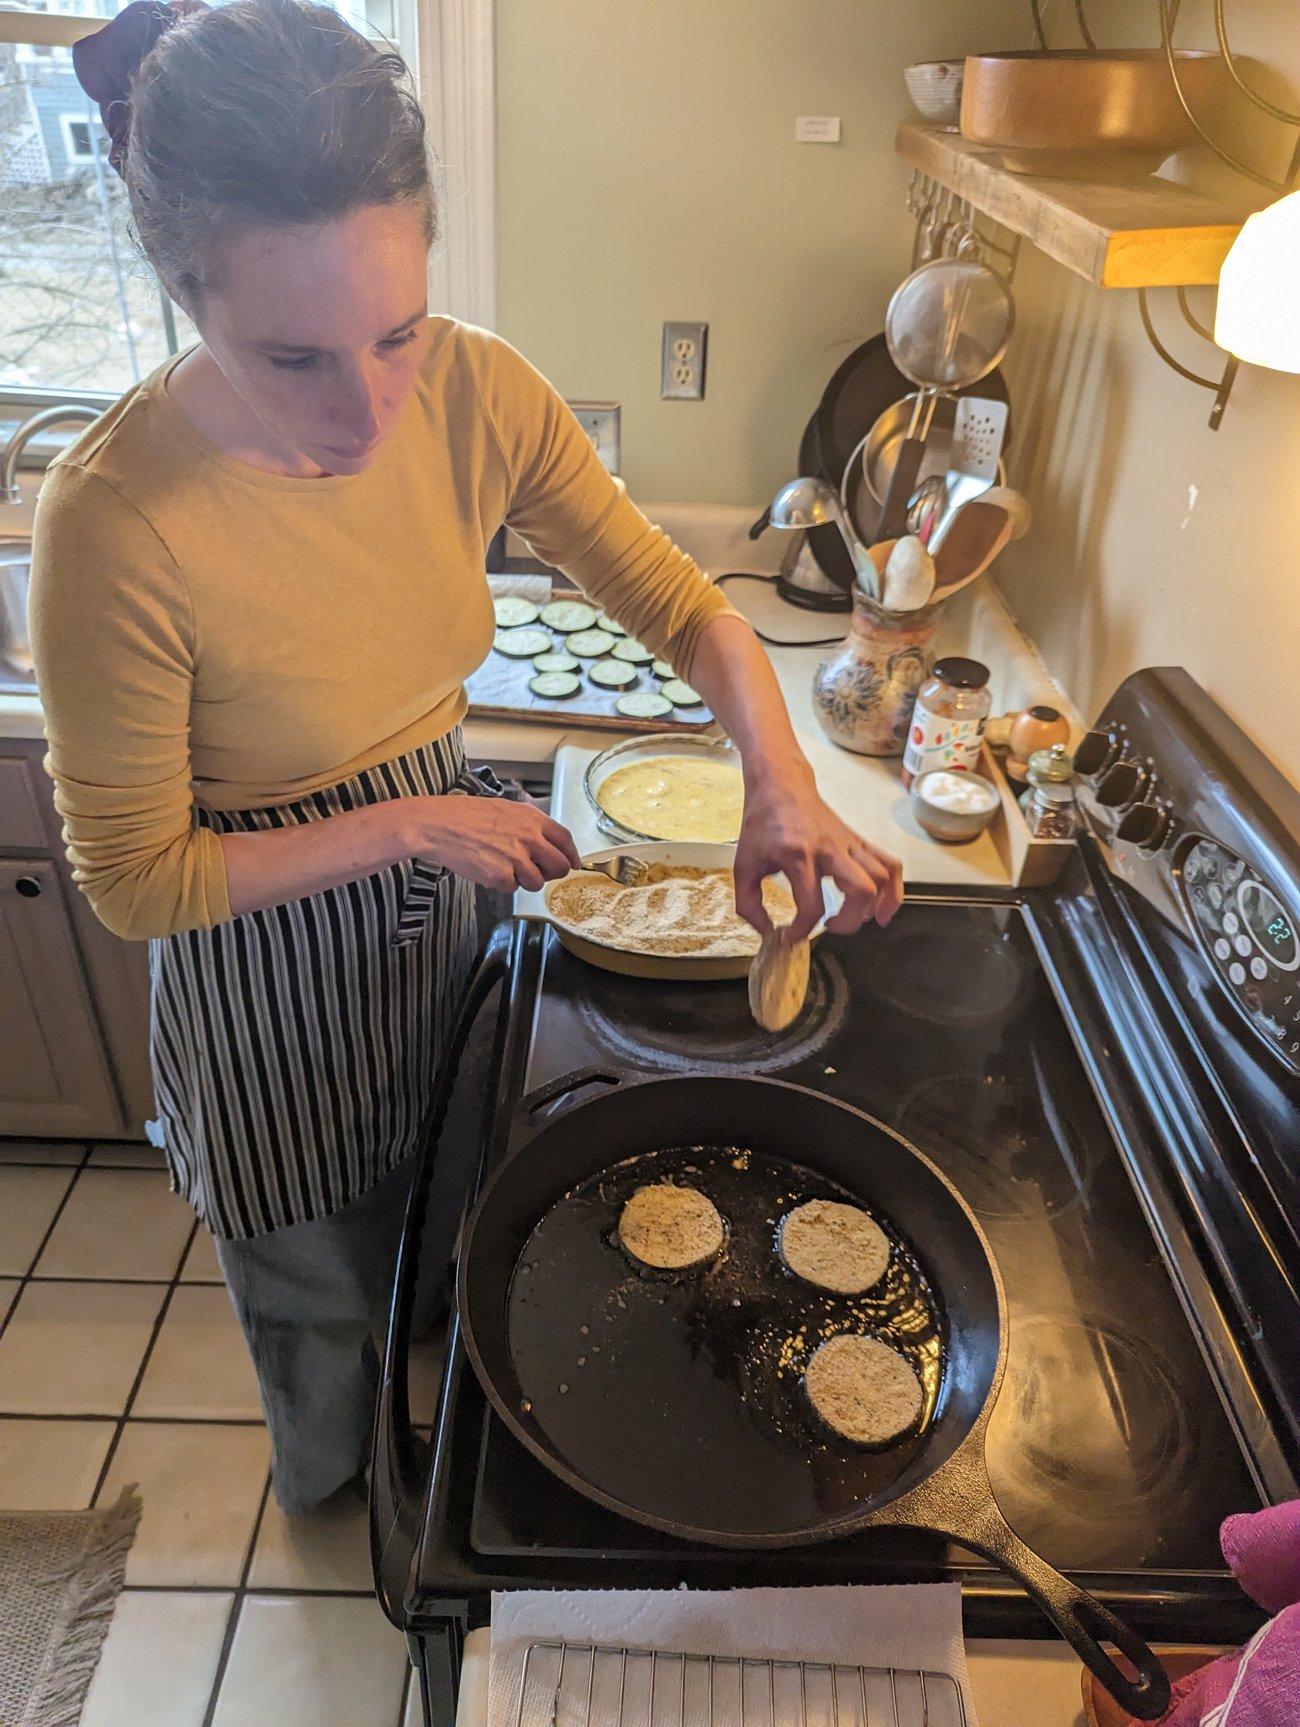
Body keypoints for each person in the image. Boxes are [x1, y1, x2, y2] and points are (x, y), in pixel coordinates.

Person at [30, 0, 904, 1516]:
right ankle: (337, 1487)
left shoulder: (479, 391)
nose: (367, 408)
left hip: (442, 901)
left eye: (397, 331)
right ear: (184, 293)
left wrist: (783, 780)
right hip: (261, 954)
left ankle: (429, 1421)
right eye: (291, 354)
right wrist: (406, 825)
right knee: (315, 1270)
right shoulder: (116, 519)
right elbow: (131, 881)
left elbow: (688, 609)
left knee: (442, 1194)